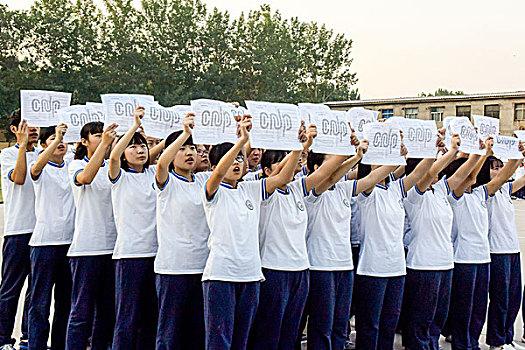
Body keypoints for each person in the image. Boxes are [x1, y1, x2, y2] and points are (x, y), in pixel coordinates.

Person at [202, 115, 303, 350]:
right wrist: (241, 141)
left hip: (250, 275)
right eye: (231, 160)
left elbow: (283, 177)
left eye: (240, 159)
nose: (237, 163)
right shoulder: (212, 190)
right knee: (220, 341)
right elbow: (217, 175)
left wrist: (298, 147)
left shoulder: (251, 189)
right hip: (221, 276)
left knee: (241, 340)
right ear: (216, 165)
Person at [354, 142, 437, 350]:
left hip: (396, 267)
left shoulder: (395, 189)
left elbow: (419, 172)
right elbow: (374, 175)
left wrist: (431, 149)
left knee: (389, 322)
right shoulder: (366, 191)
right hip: (372, 268)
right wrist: (395, 157)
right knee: (370, 324)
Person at [154, 113, 210, 349]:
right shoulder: (166, 182)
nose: (189, 153)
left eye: (193, 149)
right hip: (173, 268)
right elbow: (160, 163)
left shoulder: (204, 181)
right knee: (170, 332)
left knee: (197, 332)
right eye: (182, 149)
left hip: (204, 267)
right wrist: (185, 133)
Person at [401, 133, 461, 350]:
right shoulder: (412, 194)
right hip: (423, 265)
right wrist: (450, 151)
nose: (434, 171)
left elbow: (464, 175)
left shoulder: (441, 190)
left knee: (438, 317)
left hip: (445, 264)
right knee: (421, 319)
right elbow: (430, 172)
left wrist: (478, 153)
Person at [108, 107, 161, 349]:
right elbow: (114, 157)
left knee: (151, 317)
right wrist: (133, 127)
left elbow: (165, 150)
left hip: (157, 255)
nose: (140, 150)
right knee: (127, 317)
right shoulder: (120, 177)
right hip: (130, 255)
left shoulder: (155, 174)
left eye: (143, 146)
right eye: (133, 146)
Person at [65, 122, 119, 350]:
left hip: (115, 248)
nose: (104, 138)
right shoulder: (76, 164)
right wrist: (105, 143)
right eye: (97, 135)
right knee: (81, 311)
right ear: (84, 142)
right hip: (87, 249)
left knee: (107, 312)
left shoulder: (116, 166)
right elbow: (85, 178)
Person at [28, 124, 75, 350]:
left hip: (71, 243)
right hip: (45, 242)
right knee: (40, 303)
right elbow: (35, 169)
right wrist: (57, 138)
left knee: (65, 302)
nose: (60, 142)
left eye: (63, 139)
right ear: (44, 144)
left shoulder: (73, 165)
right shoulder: (41, 167)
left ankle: (59, 345)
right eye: (53, 139)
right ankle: (36, 344)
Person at [0, 111, 40, 350]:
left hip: (43, 232)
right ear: (15, 129)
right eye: (27, 126)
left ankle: (28, 337)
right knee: (11, 288)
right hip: (18, 230)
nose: (33, 130)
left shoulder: (45, 153)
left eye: (36, 127)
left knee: (36, 290)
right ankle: (4, 338)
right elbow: (20, 177)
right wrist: (23, 147)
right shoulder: (8, 154)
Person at [485, 154, 525, 350]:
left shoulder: (505, 191)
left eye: (501, 167)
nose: (499, 171)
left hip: (512, 249)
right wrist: (515, 157)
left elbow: (521, 180)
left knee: (513, 297)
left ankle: (507, 337)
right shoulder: (486, 191)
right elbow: (502, 178)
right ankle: (496, 340)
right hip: (496, 251)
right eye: (494, 167)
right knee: (500, 298)